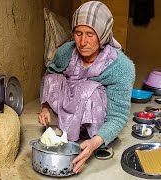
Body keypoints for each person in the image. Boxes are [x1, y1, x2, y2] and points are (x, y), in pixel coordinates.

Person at [38, 1, 135, 173]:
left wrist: (96, 143)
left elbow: (118, 115)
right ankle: (67, 127)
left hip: (95, 114)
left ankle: (93, 137)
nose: (82, 42)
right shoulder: (66, 52)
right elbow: (49, 74)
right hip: (71, 106)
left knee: (89, 89)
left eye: (90, 34)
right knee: (53, 77)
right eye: (78, 33)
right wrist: (45, 107)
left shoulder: (120, 67)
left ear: (103, 34)